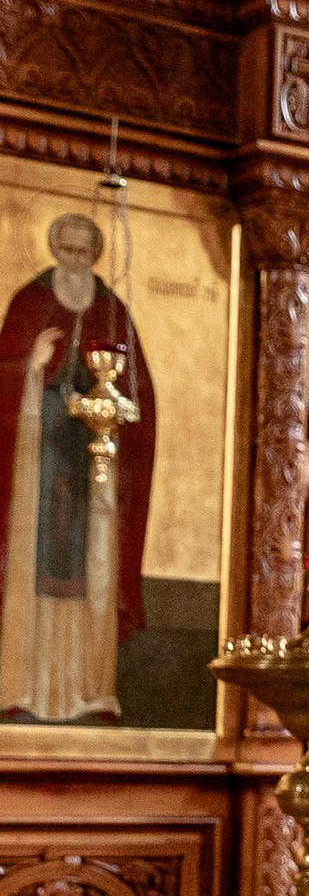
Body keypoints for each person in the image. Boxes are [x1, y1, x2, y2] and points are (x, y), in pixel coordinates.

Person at [0, 212, 156, 722]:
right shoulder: (30, 303)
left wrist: (115, 419)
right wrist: (31, 367)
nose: (74, 260)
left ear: (95, 255)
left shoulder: (112, 311)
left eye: (83, 252)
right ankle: (25, 689)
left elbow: (140, 400)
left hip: (95, 468)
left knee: (91, 569)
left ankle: (88, 691)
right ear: (53, 252)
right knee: (35, 566)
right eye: (65, 250)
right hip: (38, 461)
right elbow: (4, 374)